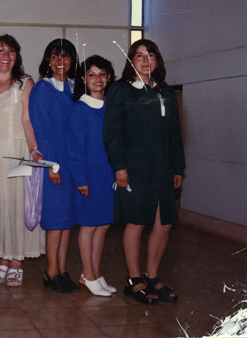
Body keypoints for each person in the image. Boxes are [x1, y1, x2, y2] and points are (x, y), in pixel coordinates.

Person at [103, 39, 185, 305]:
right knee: (136, 221)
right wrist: (119, 166)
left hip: (163, 168)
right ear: (130, 61)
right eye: (139, 55)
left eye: (150, 55)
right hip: (134, 168)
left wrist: (178, 167)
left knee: (164, 223)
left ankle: (153, 276)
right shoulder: (121, 90)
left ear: (157, 61)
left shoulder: (166, 93)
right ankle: (134, 279)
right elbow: (112, 131)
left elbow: (175, 135)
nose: (145, 59)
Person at [0, 34, 45, 287]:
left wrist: (34, 150)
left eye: (11, 52)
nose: (5, 56)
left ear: (16, 57)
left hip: (16, 152)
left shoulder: (24, 84)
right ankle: (2, 257)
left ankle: (17, 260)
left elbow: (27, 119)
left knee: (18, 206)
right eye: (0, 51)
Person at [28, 38, 79, 293]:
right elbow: (41, 130)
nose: (61, 61)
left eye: (66, 56)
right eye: (55, 56)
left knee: (67, 219)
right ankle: (50, 272)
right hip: (55, 163)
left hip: (72, 164)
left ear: (73, 61)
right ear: (48, 60)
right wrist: (51, 165)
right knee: (56, 218)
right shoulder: (42, 88)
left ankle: (62, 268)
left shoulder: (74, 88)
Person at [67, 55, 117, 297]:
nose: (98, 79)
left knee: (103, 224)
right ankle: (87, 274)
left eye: (102, 74)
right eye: (92, 74)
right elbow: (74, 148)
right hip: (89, 176)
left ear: (109, 77)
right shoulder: (80, 108)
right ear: (83, 79)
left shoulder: (111, 107)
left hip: (108, 175)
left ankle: (94, 273)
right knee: (88, 226)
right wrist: (80, 179)